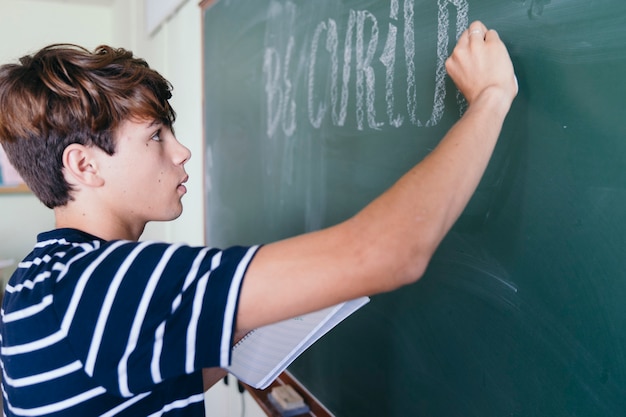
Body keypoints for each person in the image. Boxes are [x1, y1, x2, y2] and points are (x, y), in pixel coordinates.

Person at [0, 20, 517, 417]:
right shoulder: (106, 285)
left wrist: (250, 320)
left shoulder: (45, 279)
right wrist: (491, 98)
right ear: (84, 165)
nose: (182, 153)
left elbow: (136, 383)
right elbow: (390, 254)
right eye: (156, 136)